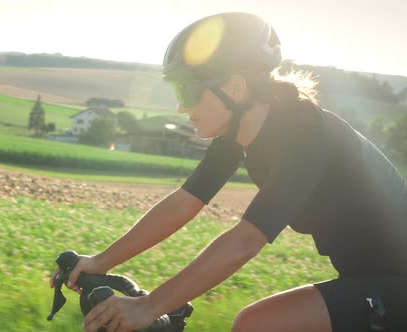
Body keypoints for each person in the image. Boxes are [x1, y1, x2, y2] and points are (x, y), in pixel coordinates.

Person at [50, 12, 407, 332]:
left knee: (256, 324)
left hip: (395, 282)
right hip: (367, 278)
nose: (180, 106)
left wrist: (150, 306)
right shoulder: (238, 134)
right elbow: (184, 203)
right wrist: (100, 260)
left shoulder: (306, 134)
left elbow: (245, 241)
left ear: (235, 88)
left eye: (188, 90)